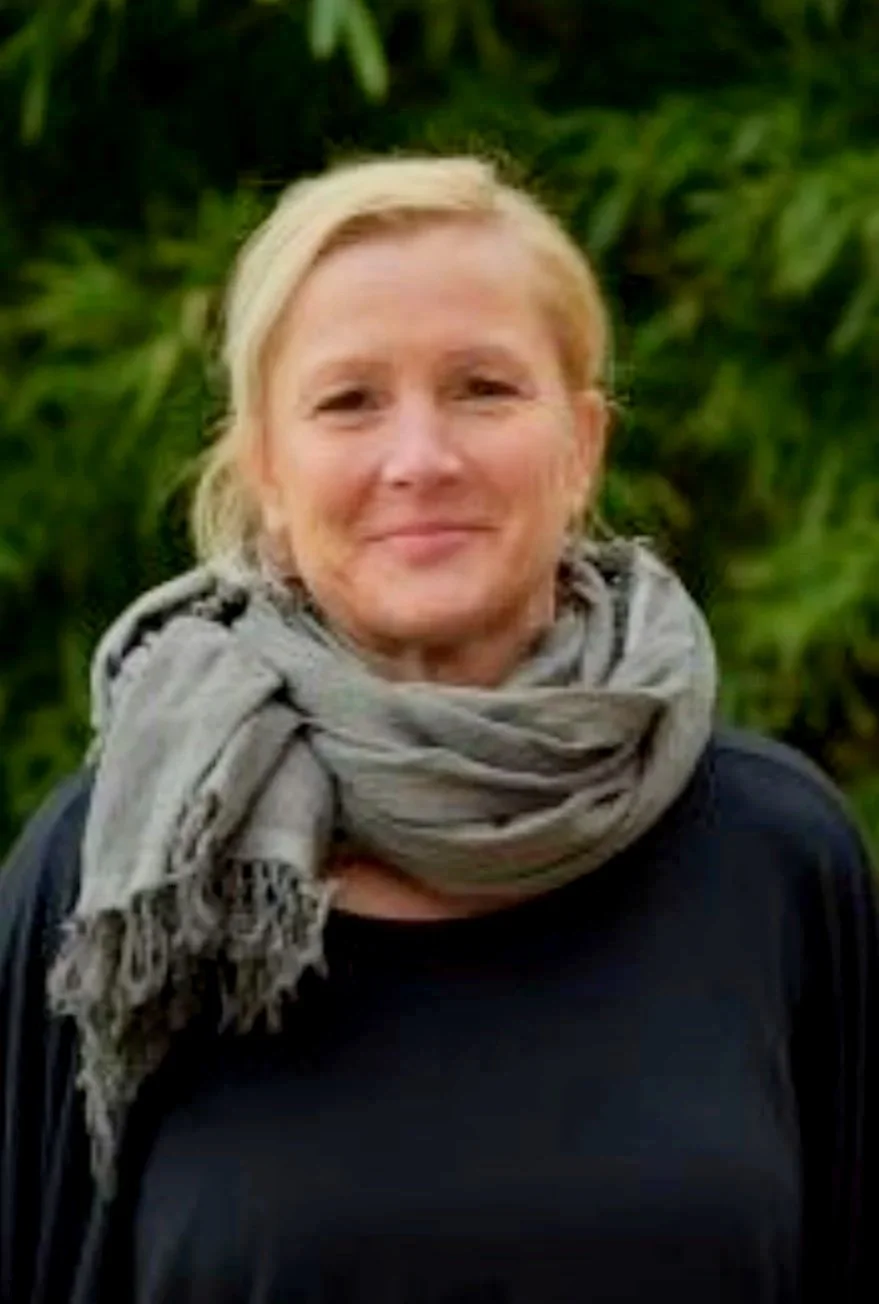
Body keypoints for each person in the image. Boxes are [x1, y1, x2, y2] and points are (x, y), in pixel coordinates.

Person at [0, 154, 875, 1304]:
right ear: (268, 470)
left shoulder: (776, 855)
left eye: (483, 388)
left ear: (583, 444)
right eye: (348, 401)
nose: (421, 459)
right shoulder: (121, 878)